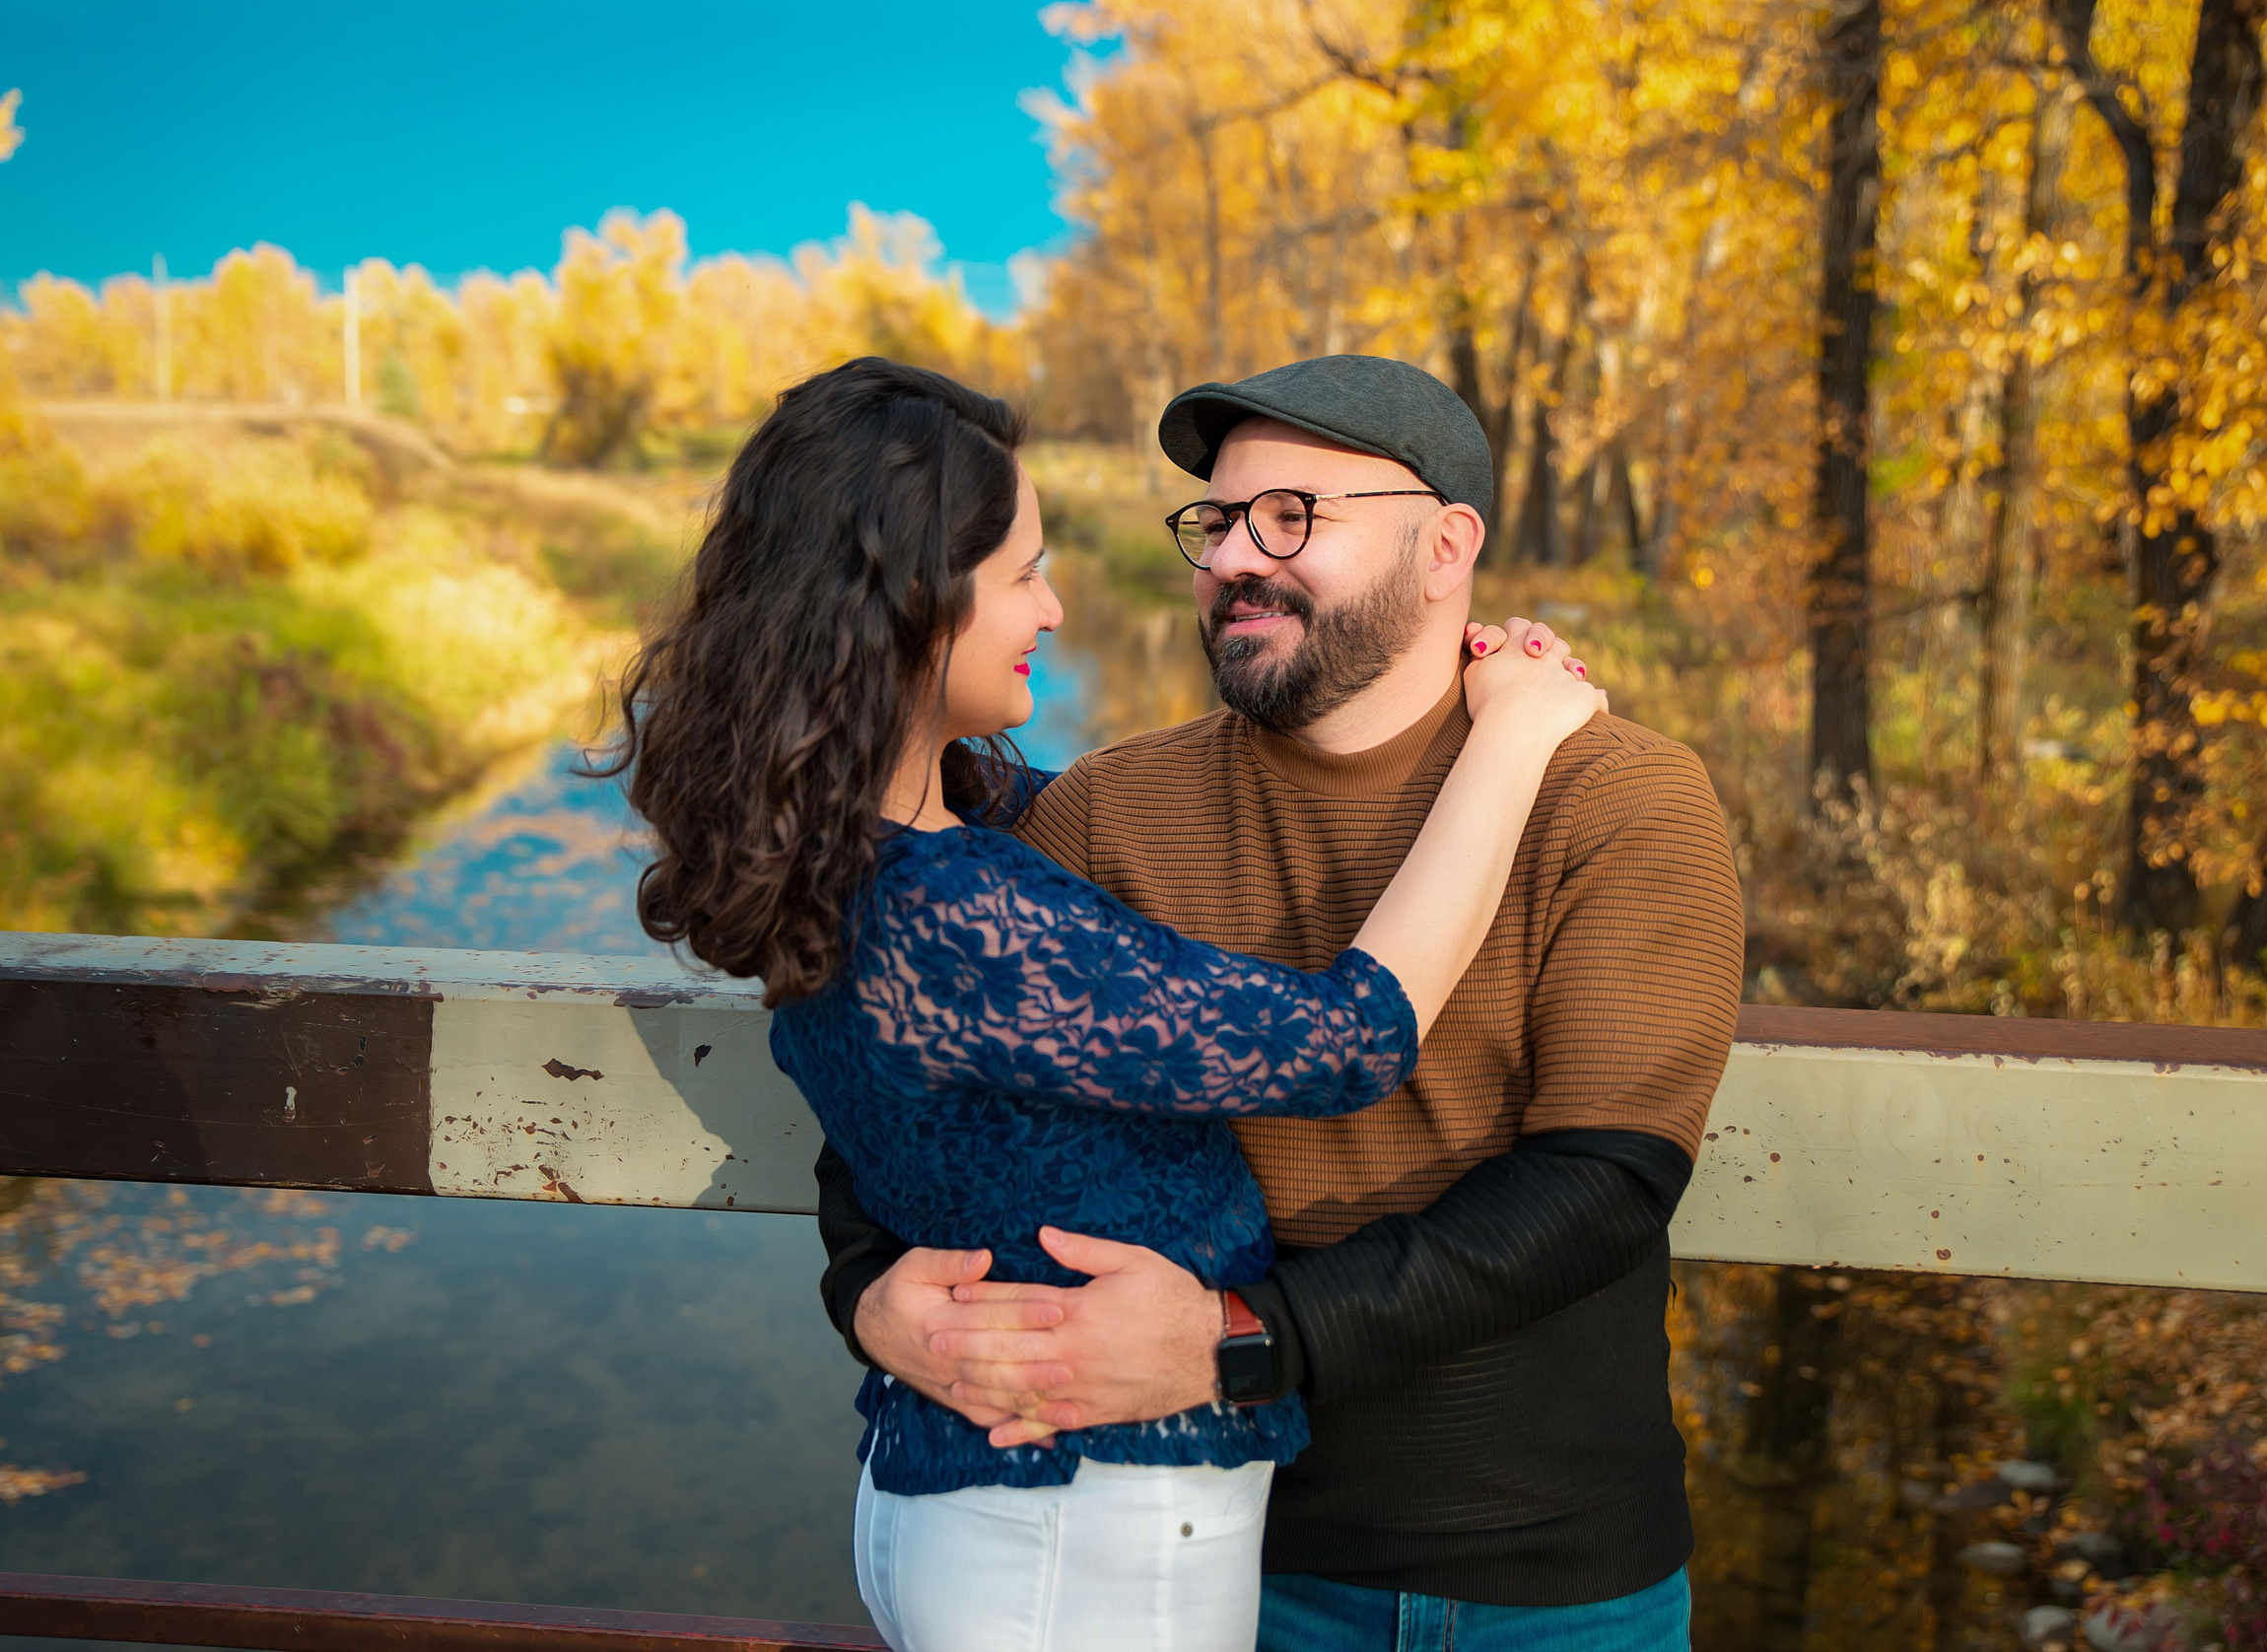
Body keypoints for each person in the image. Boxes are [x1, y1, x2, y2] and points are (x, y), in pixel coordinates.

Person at [608, 356, 1606, 1652]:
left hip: (1005, 1507)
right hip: (1074, 1529)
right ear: (913, 602)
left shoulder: (879, 838)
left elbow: (1110, 825)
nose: (1057, 606)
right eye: (1022, 572)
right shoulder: (951, 912)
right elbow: (1349, 1038)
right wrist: (1517, 736)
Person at [816, 355, 1747, 1652]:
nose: (1236, 558)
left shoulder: (1621, 800)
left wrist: (1242, 1338)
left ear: (1447, 546)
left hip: (1549, 1574)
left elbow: (1601, 1184)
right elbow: (914, 1099)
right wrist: (864, 1291)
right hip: (1205, 1555)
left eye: (1294, 516)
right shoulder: (1105, 812)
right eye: (1215, 521)